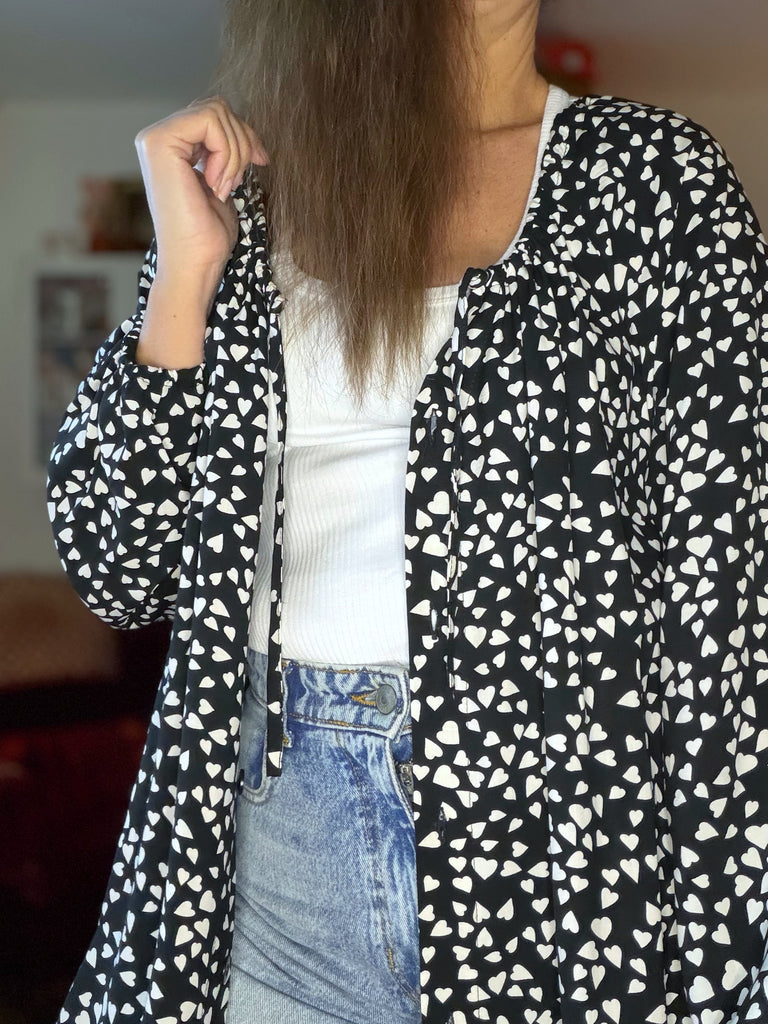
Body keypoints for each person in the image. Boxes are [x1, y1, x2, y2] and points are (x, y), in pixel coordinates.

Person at [46, 0, 768, 1022]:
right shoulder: (251, 186)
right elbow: (116, 566)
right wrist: (185, 271)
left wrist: (726, 956)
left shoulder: (656, 178)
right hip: (267, 854)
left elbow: (727, 598)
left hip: (563, 854)